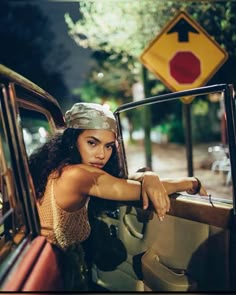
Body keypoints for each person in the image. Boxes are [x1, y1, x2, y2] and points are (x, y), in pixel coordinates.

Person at [29, 102, 208, 290]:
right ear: (73, 141)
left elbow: (121, 181)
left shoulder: (57, 169)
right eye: (92, 143)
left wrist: (147, 176)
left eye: (108, 146)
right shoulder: (77, 175)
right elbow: (132, 190)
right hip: (51, 274)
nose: (101, 154)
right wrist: (192, 182)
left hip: (48, 268)